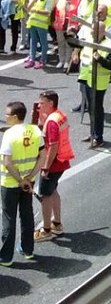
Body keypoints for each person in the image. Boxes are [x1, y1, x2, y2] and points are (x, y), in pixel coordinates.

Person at [1, 100, 43, 266]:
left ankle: (5, 257)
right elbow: (42, 157)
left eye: (7, 114)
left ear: (15, 116)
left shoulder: (9, 134)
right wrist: (29, 178)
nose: (5, 117)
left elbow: (7, 162)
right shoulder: (35, 130)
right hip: (29, 181)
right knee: (26, 215)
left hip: (10, 182)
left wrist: (19, 180)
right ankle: (28, 250)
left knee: (8, 218)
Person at [34, 90, 73, 241]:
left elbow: (53, 146)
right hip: (62, 160)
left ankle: (46, 230)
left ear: (51, 103)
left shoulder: (51, 122)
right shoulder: (59, 116)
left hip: (53, 163)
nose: (39, 106)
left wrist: (45, 167)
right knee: (53, 191)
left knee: (45, 196)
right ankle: (56, 223)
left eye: (42, 103)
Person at [25, 0, 53, 70]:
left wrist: (36, 11)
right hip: (32, 22)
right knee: (33, 41)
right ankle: (32, 59)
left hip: (41, 23)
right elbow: (28, 7)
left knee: (43, 42)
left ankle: (42, 60)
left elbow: (47, 11)